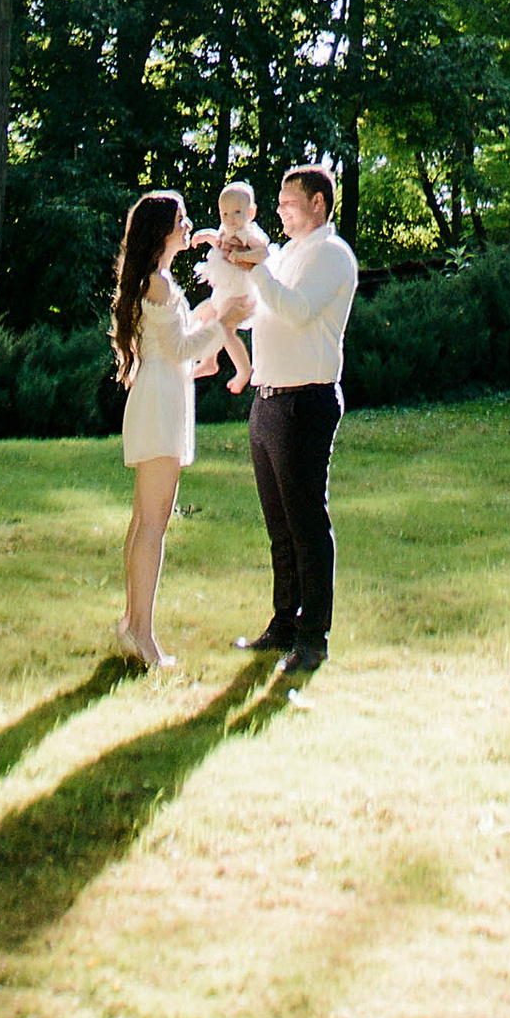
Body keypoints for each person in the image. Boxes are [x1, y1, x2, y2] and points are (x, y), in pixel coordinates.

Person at [225, 161, 359, 677]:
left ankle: (312, 638)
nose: (278, 211)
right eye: (278, 204)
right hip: (268, 399)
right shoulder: (288, 253)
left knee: (306, 524)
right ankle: (283, 623)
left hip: (305, 401)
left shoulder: (332, 254)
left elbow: (299, 312)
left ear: (318, 204)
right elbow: (269, 310)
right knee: (279, 526)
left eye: (288, 203)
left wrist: (258, 268)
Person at [109, 189, 224, 669]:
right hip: (159, 402)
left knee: (144, 520)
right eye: (181, 220)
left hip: (159, 395)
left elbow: (176, 346)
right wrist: (226, 323)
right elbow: (178, 349)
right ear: (162, 231)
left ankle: (132, 626)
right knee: (152, 523)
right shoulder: (157, 283)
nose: (187, 226)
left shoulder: (158, 282)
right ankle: (143, 634)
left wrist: (210, 323)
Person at [192, 177, 266, 395]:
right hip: (222, 292)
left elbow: (263, 253)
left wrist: (241, 256)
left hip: (239, 294)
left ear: (251, 213)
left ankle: (244, 370)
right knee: (206, 316)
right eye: (224, 214)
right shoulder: (226, 231)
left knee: (224, 329)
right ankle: (209, 361)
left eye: (237, 212)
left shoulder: (247, 234)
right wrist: (205, 235)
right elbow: (218, 241)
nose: (230, 219)